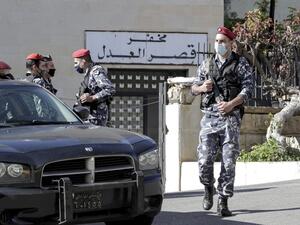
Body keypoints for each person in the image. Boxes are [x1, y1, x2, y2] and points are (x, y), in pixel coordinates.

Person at [191, 26, 253, 217]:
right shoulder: (207, 64)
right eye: (217, 41)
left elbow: (248, 89)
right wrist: (202, 88)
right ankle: (208, 187)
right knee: (204, 160)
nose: (219, 44)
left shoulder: (240, 63)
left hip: (230, 119)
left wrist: (231, 105)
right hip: (209, 118)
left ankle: (223, 200)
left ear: (231, 44)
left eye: (223, 41)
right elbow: (193, 88)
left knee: (228, 162)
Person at [72, 48, 115, 126]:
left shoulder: (96, 71)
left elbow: (110, 89)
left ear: (83, 61)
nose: (75, 66)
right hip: (89, 117)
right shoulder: (88, 72)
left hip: (96, 118)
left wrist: (92, 98)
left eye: (76, 63)